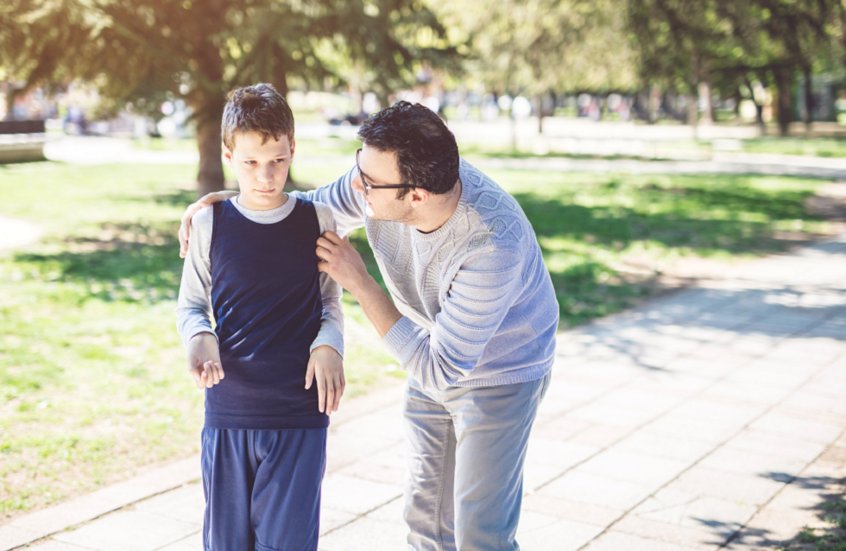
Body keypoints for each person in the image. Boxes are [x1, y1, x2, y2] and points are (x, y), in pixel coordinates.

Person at [179, 101, 559, 551]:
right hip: (428, 345)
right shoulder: (381, 178)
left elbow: (442, 369)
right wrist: (230, 208)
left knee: (481, 532)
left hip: (501, 370)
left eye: (370, 182)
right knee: (427, 518)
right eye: (359, 169)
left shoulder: (494, 244)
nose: (356, 185)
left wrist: (361, 283)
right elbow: (300, 210)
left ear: (415, 196)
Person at [176, 83, 345, 551]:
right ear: (228, 154)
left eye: (277, 160)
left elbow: (330, 301)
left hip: (299, 413)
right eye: (250, 162)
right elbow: (191, 304)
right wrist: (200, 337)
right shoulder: (210, 223)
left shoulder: (319, 219)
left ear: (293, 149)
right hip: (228, 411)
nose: (266, 176)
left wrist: (330, 344)